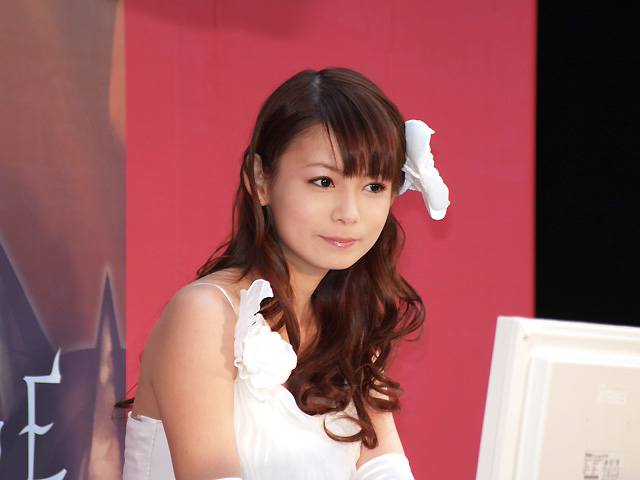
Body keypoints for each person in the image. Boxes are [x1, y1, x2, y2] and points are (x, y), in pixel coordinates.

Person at [121, 67, 450, 480]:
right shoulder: (206, 315)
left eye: (373, 187)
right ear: (260, 179)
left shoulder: (350, 331)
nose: (349, 213)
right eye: (323, 181)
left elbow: (385, 471)